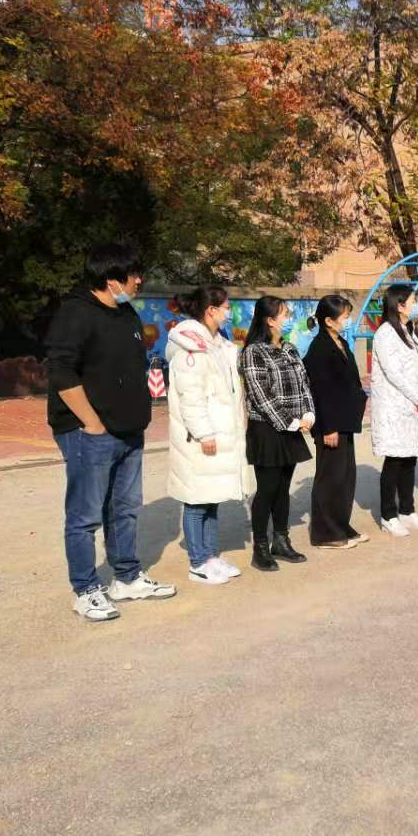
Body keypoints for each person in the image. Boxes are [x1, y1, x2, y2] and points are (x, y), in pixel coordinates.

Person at [46, 243, 176, 621]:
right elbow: (61, 371)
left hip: (129, 430)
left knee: (125, 509)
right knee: (85, 515)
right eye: (133, 274)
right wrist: (91, 422)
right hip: (88, 432)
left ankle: (127, 577)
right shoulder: (75, 313)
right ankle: (86, 589)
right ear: (110, 278)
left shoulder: (126, 313)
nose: (139, 281)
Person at [167, 285, 251, 584]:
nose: (229, 312)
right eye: (226, 307)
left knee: (212, 497)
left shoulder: (219, 345)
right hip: (200, 436)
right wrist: (204, 433)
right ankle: (197, 561)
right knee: (196, 501)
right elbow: (190, 397)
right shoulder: (190, 348)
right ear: (211, 310)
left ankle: (210, 555)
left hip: (221, 432)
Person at [239, 295, 315, 569]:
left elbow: (304, 384)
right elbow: (261, 395)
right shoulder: (253, 352)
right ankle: (260, 547)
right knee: (268, 489)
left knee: (283, 488)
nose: (289, 318)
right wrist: (291, 422)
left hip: (293, 426)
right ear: (270, 320)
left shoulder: (289, 349)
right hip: (267, 428)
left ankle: (280, 541)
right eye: (285, 314)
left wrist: (308, 413)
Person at [369, 284, 418, 536]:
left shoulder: (409, 331)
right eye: (412, 301)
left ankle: (407, 510)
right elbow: (394, 373)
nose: (416, 305)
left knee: (409, 459)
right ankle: (388, 515)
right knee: (394, 461)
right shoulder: (385, 334)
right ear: (399, 305)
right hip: (395, 407)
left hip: (414, 407)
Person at [303, 295, 369, 547]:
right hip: (330, 424)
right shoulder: (320, 348)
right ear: (329, 321)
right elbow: (321, 391)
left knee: (345, 477)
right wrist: (328, 426)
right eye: (345, 317)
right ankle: (325, 533)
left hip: (345, 420)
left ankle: (341, 525)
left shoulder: (340, 342)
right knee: (330, 477)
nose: (348, 321)